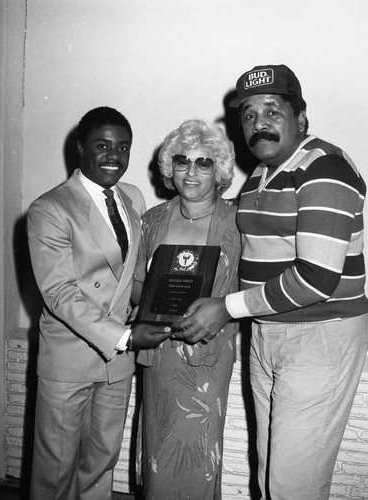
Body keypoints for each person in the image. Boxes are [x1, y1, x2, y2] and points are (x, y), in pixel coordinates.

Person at [173, 65, 368, 499]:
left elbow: (316, 278)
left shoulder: (323, 168)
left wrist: (225, 308)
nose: (259, 123)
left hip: (319, 336)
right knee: (269, 475)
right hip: (268, 329)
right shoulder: (264, 172)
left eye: (272, 111)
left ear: (300, 117)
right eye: (248, 114)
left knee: (292, 485)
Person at [27, 106, 171, 500]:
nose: (114, 156)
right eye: (102, 145)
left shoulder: (133, 198)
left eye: (123, 147)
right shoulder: (50, 209)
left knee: (101, 463)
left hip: (117, 362)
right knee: (55, 472)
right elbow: (60, 294)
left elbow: (131, 278)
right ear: (80, 148)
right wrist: (125, 336)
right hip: (70, 358)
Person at [131, 119, 241, 499]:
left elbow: (249, 292)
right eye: (182, 161)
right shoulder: (153, 221)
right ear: (169, 168)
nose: (191, 172)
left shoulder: (237, 223)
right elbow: (136, 287)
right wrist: (144, 304)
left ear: (219, 170)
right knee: (159, 451)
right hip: (160, 355)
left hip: (208, 358)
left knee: (198, 451)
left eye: (204, 162)